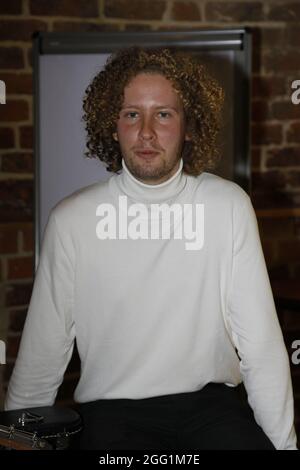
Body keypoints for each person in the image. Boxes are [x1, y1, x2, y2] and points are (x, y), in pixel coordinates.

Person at [4, 47, 297, 450]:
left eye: (163, 113)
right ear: (112, 124)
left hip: (212, 410)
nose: (145, 132)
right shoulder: (72, 220)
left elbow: (261, 345)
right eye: (131, 114)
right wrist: (17, 438)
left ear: (188, 125)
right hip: (112, 415)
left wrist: (285, 447)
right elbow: (42, 353)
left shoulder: (227, 206)